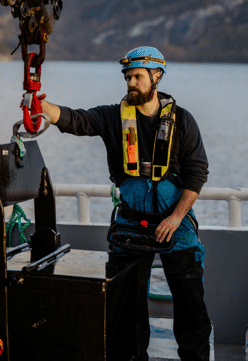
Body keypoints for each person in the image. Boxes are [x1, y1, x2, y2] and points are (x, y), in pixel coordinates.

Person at [40, 46, 212, 361]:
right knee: (128, 312)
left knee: (191, 307)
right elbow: (76, 120)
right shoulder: (112, 117)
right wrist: (42, 106)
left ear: (156, 76)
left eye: (137, 77)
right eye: (128, 77)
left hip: (175, 224)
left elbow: (197, 175)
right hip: (130, 226)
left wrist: (175, 219)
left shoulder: (183, 121)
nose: (131, 83)